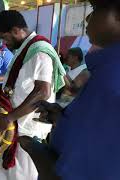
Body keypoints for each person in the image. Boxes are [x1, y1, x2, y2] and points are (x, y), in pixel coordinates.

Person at [19, 0, 120, 179]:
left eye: (96, 9)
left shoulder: (112, 78)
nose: (88, 17)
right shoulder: (104, 69)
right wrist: (63, 118)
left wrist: (35, 149)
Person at [0, 10, 66, 180]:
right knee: (9, 174)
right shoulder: (25, 48)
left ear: (16, 30)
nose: (4, 43)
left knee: (22, 175)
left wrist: (9, 117)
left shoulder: (40, 51)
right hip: (17, 127)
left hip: (27, 131)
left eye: (5, 37)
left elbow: (43, 91)